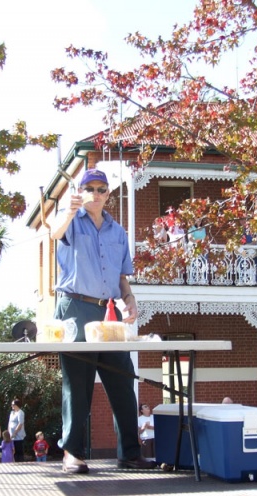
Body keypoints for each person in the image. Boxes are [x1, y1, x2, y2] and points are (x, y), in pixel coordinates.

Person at [51, 168, 156, 474]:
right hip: (75, 308)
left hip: (108, 312)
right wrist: (68, 210)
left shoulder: (117, 232)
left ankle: (129, 453)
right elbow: (56, 232)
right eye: (89, 188)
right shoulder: (69, 217)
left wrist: (130, 299)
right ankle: (73, 452)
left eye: (101, 189)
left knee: (123, 380)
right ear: (80, 191)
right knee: (78, 385)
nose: (95, 194)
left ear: (108, 194)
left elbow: (122, 277)